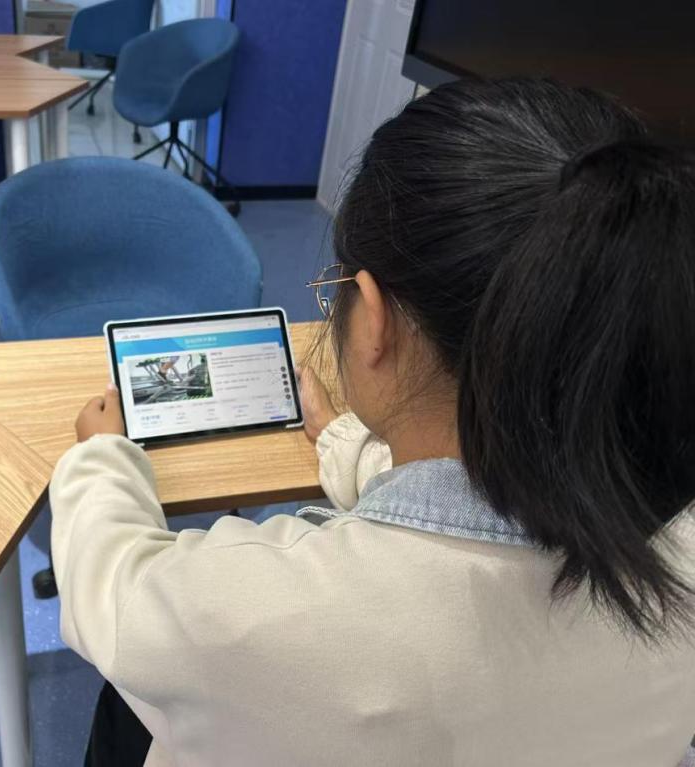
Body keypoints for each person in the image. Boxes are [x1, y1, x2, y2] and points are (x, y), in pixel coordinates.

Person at [48, 77, 695, 766]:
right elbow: (484, 502)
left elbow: (112, 592)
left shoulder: (252, 613)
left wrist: (101, 457)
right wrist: (340, 436)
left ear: (374, 320)